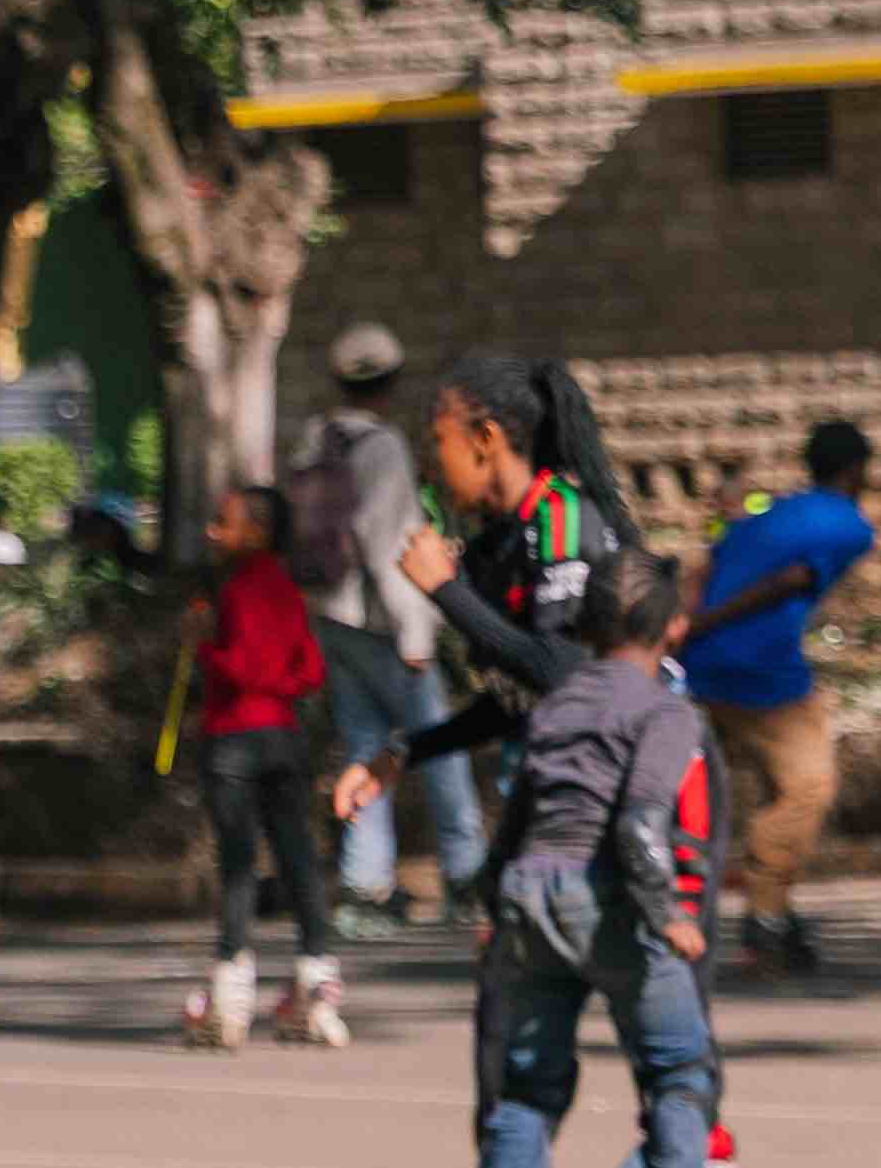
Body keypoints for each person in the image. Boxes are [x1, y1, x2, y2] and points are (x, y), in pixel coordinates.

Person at [418, 549, 745, 1168]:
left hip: (528, 892)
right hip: (608, 898)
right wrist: (668, 913)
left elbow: (513, 821)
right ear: (672, 627)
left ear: (584, 626)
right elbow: (639, 823)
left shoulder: (556, 704)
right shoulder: (666, 712)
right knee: (675, 1069)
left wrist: (493, 910)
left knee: (527, 1086)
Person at [333, 350, 633, 890]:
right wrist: (403, 752)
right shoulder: (494, 543)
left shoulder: (561, 518)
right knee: (504, 918)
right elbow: (517, 699)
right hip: (556, 776)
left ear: (485, 439)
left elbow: (560, 672)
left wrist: (444, 591)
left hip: (620, 781)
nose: (430, 462)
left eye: (438, 440)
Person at [681, 419, 873, 974]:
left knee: (771, 784)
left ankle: (778, 915)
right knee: (808, 788)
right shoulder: (850, 526)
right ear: (857, 470)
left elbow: (708, 563)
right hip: (761, 672)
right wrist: (712, 621)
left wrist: (688, 627)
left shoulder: (773, 512)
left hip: (703, 665)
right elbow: (790, 580)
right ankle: (765, 917)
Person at [291, 327, 465, 915]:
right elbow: (387, 543)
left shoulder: (314, 439)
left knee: (364, 744)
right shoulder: (384, 447)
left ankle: (365, 883)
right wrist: (416, 633)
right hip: (384, 624)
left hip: (330, 615)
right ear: (390, 385)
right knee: (437, 745)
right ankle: (466, 872)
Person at [176, 479, 345, 1052]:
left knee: (238, 864)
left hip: (234, 739)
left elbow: (245, 668)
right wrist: (282, 693)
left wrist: (203, 646)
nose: (212, 531)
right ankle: (317, 976)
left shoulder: (241, 591)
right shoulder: (287, 591)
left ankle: (230, 989)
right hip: (283, 737)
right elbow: (311, 670)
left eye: (224, 521)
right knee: (298, 858)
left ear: (258, 531)